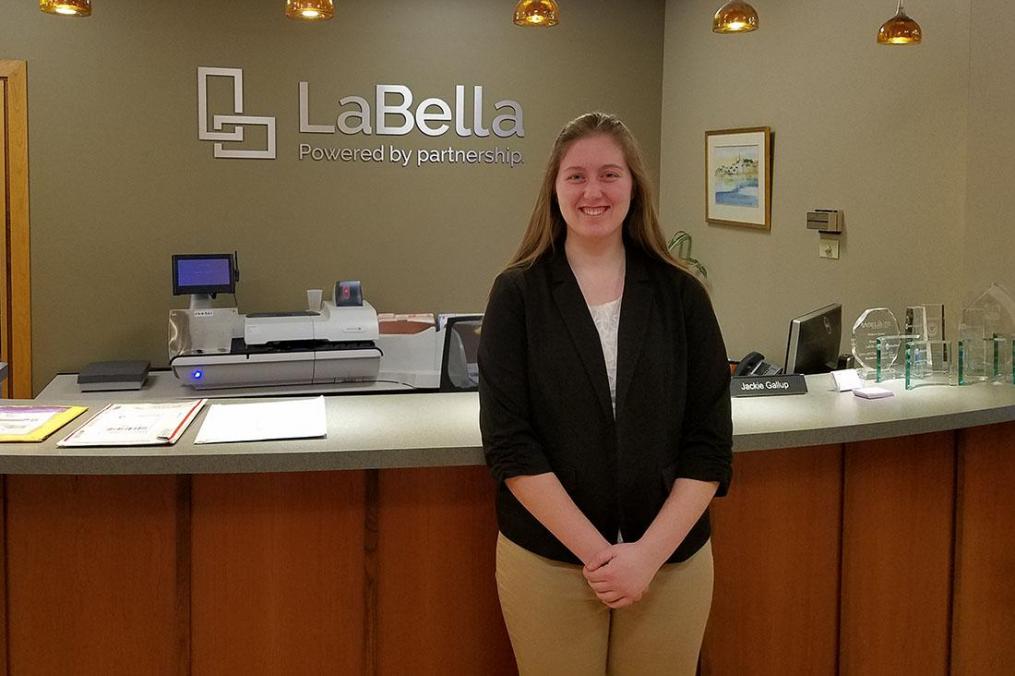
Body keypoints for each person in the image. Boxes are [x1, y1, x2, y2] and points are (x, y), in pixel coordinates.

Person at [478, 112, 733, 676]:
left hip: (669, 562)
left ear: (634, 185)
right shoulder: (517, 294)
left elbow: (709, 442)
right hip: (550, 560)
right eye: (576, 176)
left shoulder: (682, 294)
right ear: (554, 188)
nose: (593, 191)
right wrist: (602, 557)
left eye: (610, 174)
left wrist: (644, 558)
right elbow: (510, 446)